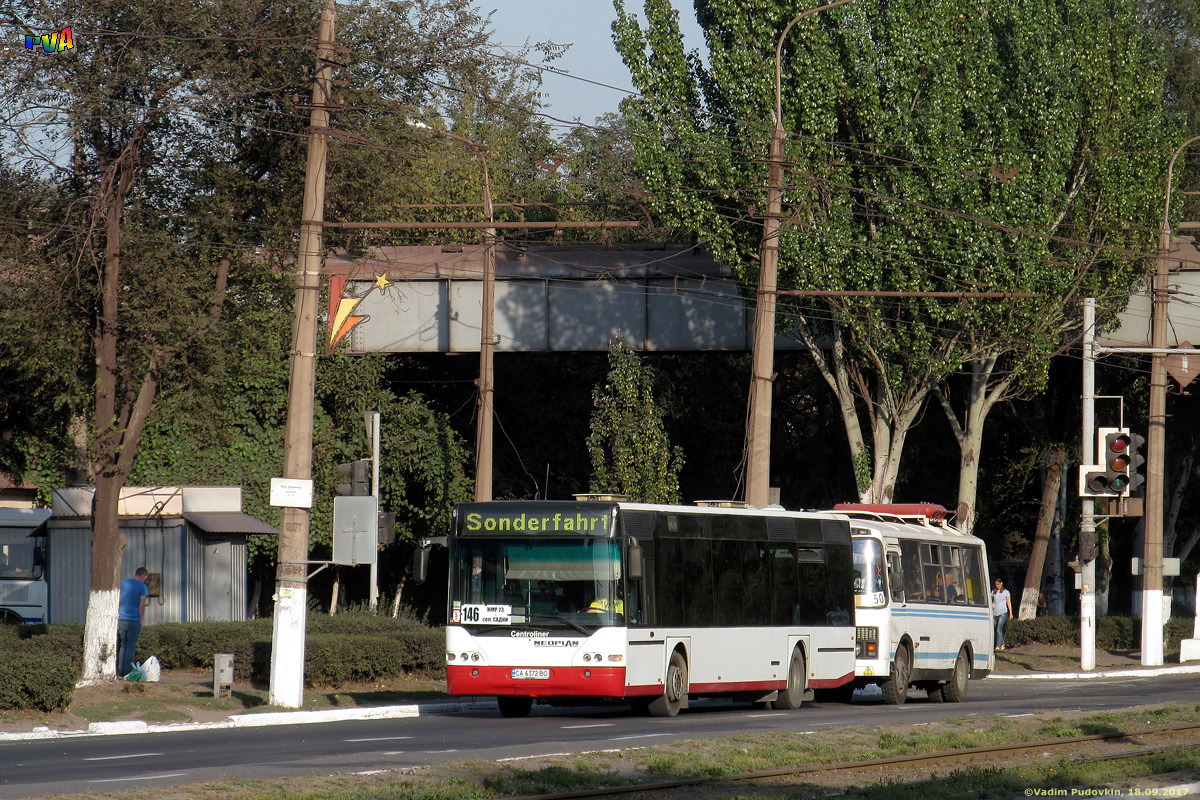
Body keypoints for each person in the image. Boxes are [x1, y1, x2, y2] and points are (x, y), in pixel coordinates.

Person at [117, 567, 150, 676]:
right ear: (142, 576)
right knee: (130, 646)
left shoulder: (123, 583)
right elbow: (141, 605)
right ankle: (127, 671)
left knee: (122, 645)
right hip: (134, 619)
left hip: (121, 618)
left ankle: (120, 668)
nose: (144, 581)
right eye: (144, 578)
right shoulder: (142, 587)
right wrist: (141, 619)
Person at [992, 578, 1012, 651]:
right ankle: (1002, 644)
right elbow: (991, 600)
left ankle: (998, 645)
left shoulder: (1006, 592)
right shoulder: (993, 592)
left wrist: (1010, 613)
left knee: (999, 629)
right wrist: (992, 604)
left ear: (1001, 583)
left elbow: (1008, 602)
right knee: (995, 628)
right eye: (996, 584)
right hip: (995, 613)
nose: (997, 586)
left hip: (1003, 612)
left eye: (998, 584)